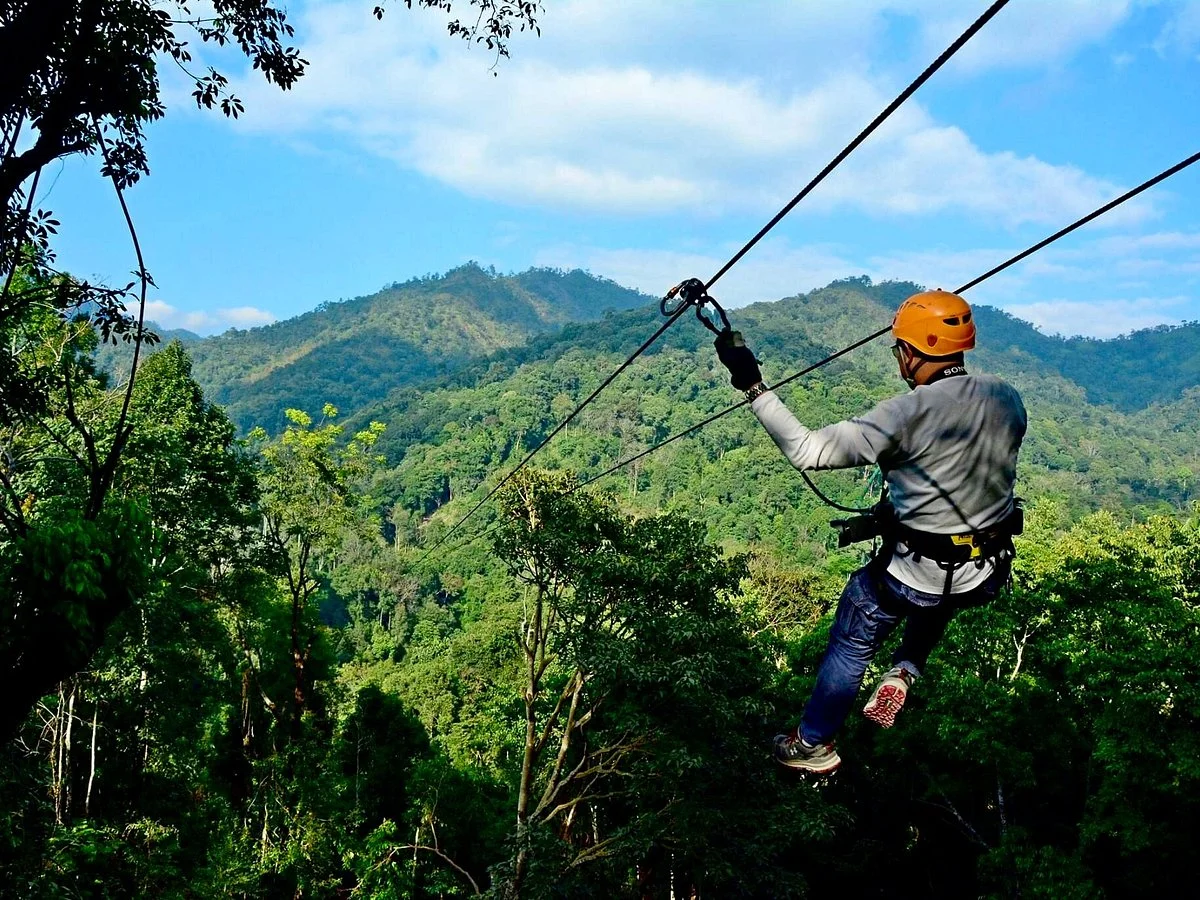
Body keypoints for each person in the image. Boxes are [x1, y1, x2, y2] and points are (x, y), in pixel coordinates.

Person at [714, 289, 1027, 774]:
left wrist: (752, 384)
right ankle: (907, 665)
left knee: (858, 626)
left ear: (910, 351)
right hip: (985, 571)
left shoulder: (905, 415)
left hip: (914, 575)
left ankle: (812, 744)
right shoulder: (1007, 397)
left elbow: (809, 451)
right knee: (944, 588)